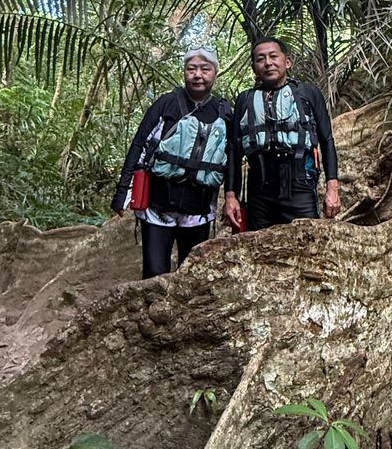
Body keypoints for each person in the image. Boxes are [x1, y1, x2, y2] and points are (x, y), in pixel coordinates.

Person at [111, 46, 231, 277]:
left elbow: (231, 157)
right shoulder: (166, 104)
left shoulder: (223, 112)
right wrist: (122, 192)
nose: (198, 75)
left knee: (190, 275)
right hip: (158, 206)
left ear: (215, 73)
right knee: (154, 272)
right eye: (191, 69)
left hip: (199, 210)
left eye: (205, 69)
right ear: (184, 72)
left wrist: (231, 197)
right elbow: (139, 144)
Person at [223, 37, 340, 231]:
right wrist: (230, 196)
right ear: (254, 67)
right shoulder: (245, 99)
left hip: (300, 185)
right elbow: (234, 150)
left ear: (287, 62)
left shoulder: (308, 93)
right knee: (258, 244)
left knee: (305, 240)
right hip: (259, 189)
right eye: (260, 59)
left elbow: (326, 140)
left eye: (273, 56)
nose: (268, 63)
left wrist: (332, 188)